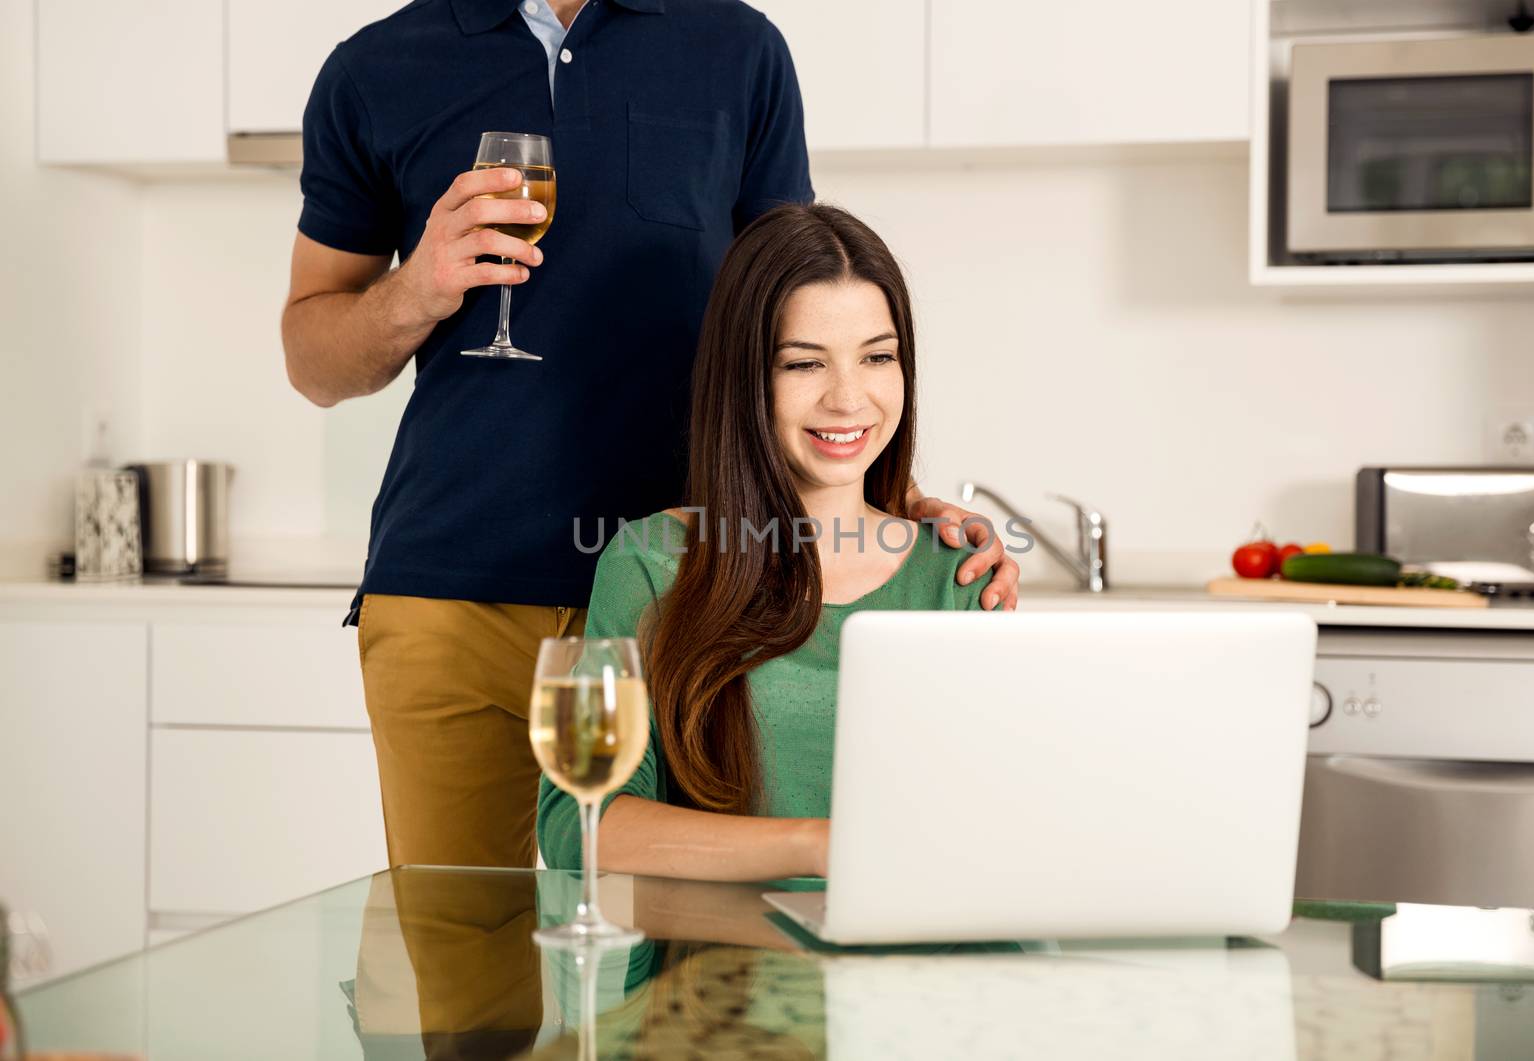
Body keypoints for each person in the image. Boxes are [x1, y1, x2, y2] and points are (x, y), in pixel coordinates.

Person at [282, 0, 1020, 873]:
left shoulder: (739, 49)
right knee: (467, 982)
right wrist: (417, 290)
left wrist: (877, 503)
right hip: (455, 595)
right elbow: (313, 361)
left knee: (662, 969)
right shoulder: (373, 67)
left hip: (687, 593)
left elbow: (792, 302)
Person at [539, 204, 994, 880]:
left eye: (878, 356)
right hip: (725, 976)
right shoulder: (650, 563)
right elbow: (580, 824)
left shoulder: (957, 572)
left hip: (911, 968)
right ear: (746, 377)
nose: (849, 397)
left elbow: (991, 822)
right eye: (805, 364)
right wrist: (815, 845)